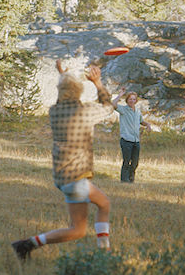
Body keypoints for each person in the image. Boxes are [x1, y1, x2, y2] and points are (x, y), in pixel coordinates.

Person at [11, 60, 114, 261]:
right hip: (77, 177)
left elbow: (63, 98)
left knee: (79, 228)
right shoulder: (85, 112)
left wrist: (63, 76)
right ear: (78, 90)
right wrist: (98, 83)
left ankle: (26, 245)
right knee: (100, 208)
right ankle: (105, 253)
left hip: (62, 178)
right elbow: (108, 106)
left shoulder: (54, 112)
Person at [112, 87, 151, 183]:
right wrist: (120, 95)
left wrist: (148, 125)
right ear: (127, 100)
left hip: (136, 141)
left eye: (134, 99)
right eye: (130, 99)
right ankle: (124, 181)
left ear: (136, 100)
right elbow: (113, 105)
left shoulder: (137, 111)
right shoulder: (123, 110)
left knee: (135, 163)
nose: (132, 101)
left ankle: (131, 179)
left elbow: (141, 121)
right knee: (126, 162)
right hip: (126, 140)